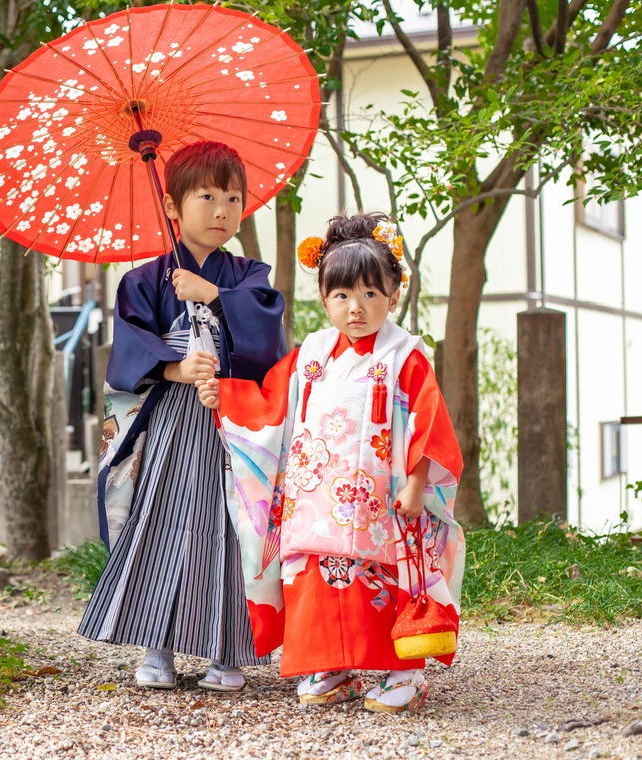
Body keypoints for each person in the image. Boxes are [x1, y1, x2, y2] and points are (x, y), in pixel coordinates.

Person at [198, 212, 464, 712]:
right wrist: (227, 400)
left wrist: (415, 483)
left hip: (382, 498)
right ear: (324, 298)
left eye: (369, 294)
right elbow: (271, 405)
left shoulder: (405, 355)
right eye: (341, 295)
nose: (355, 308)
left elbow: (429, 422)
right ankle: (331, 666)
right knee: (319, 580)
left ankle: (401, 671)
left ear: (393, 296)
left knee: (386, 578)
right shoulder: (312, 353)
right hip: (315, 495)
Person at [78, 141, 286, 692]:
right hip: (170, 423)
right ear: (171, 207)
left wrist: (213, 295)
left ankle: (228, 652)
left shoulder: (248, 276)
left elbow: (269, 337)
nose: (222, 210)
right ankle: (157, 649)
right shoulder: (144, 281)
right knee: (161, 526)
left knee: (229, 529)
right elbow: (127, 352)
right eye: (207, 196)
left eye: (234, 198)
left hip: (230, 424)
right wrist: (173, 368)